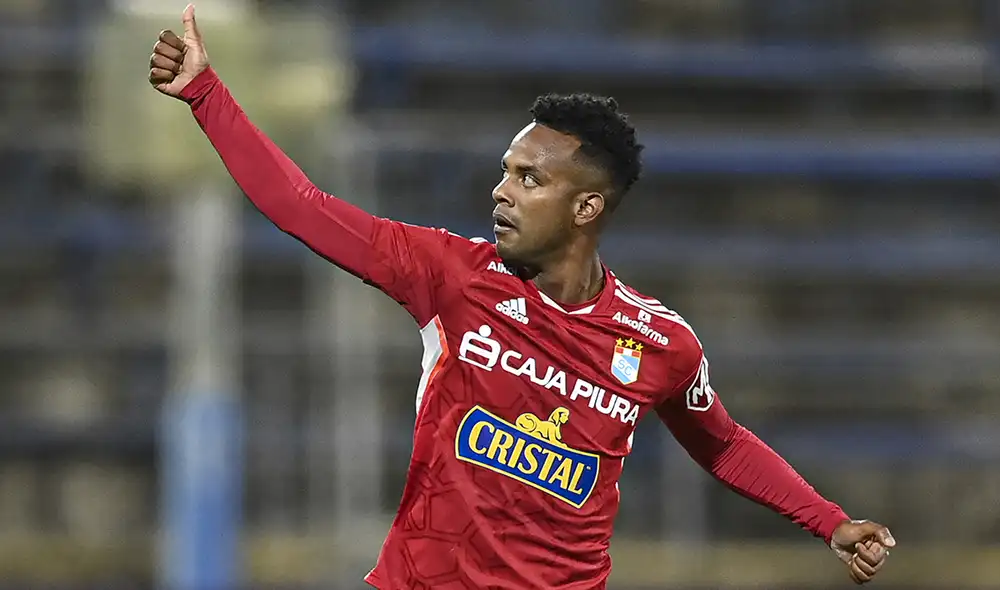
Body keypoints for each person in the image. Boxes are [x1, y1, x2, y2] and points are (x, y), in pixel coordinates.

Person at [149, 5, 895, 588]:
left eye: (529, 179)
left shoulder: (660, 343)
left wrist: (829, 523)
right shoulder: (450, 276)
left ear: (586, 209)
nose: (502, 191)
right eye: (506, 170)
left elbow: (723, 441)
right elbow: (304, 204)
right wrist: (206, 95)